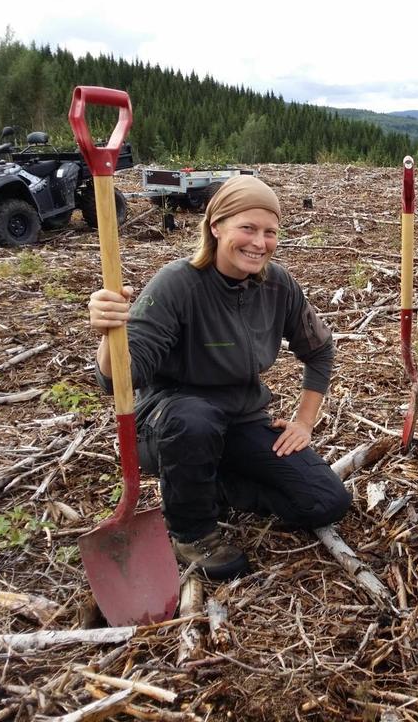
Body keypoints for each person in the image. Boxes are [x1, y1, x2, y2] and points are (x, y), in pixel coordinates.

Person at [88, 175, 351, 579]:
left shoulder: (277, 286)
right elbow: (118, 380)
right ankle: (191, 532)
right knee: (196, 419)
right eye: (246, 228)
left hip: (238, 422)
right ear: (216, 227)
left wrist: (303, 421)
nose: (258, 242)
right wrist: (110, 334)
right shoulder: (178, 284)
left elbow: (319, 350)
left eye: (269, 232)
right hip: (168, 425)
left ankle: (212, 484)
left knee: (325, 501)